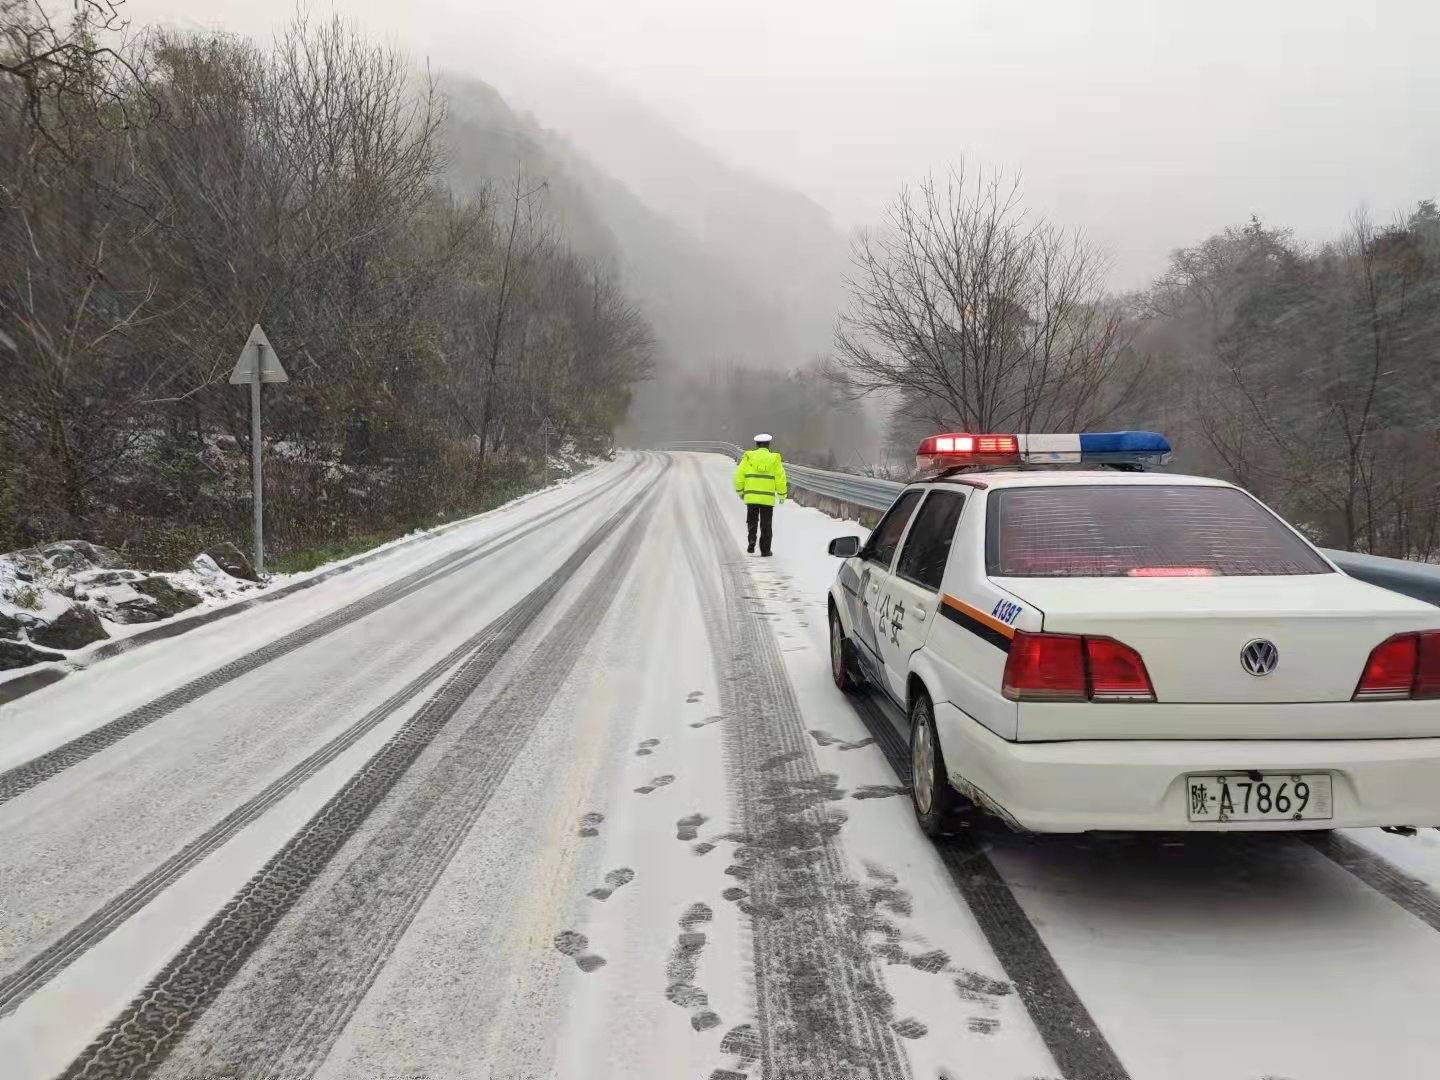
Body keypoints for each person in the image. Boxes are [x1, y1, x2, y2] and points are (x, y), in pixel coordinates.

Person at [734, 433, 788, 556]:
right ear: (768, 445)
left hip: (751, 497)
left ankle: (752, 540)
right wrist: (782, 494)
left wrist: (741, 491)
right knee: (766, 525)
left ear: (757, 445)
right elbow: (780, 478)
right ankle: (765, 550)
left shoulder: (748, 458)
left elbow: (739, 476)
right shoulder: (774, 459)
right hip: (767, 499)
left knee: (752, 521)